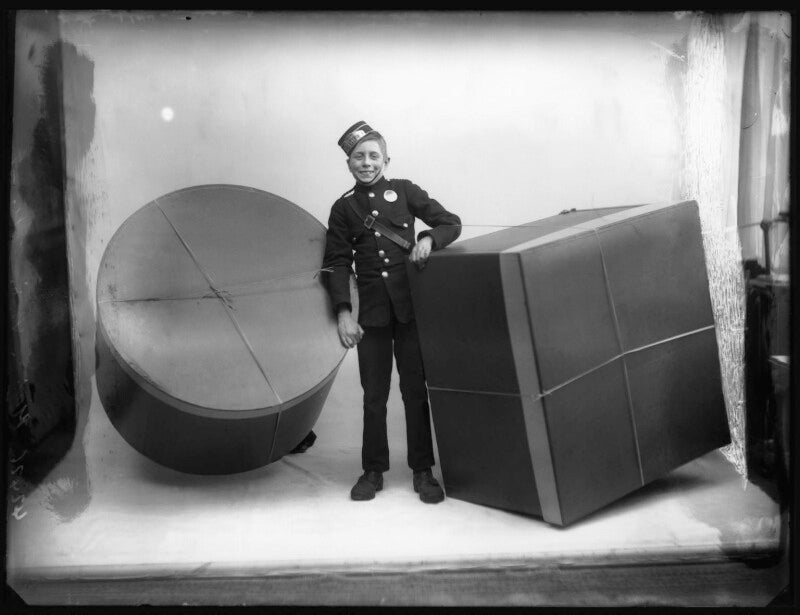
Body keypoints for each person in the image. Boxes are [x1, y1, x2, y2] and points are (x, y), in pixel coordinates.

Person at [322, 121, 461, 503]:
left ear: (386, 159)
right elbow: (336, 263)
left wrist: (429, 239)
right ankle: (372, 470)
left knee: (415, 391)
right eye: (358, 157)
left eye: (373, 156)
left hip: (411, 311)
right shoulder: (343, 207)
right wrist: (344, 314)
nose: (366, 163)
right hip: (372, 316)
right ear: (349, 163)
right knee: (374, 395)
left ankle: (423, 470)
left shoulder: (404, 190)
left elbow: (450, 222)